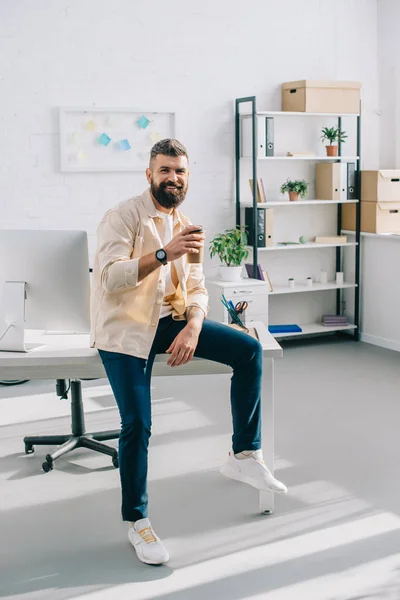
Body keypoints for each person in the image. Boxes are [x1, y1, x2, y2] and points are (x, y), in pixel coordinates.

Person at [90, 138, 287, 566]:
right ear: (149, 174)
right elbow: (109, 279)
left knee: (249, 351)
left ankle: (243, 455)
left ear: (187, 176)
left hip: (171, 323)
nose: (173, 178)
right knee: (138, 423)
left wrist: (194, 326)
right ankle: (137, 522)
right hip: (124, 331)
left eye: (180, 171)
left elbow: (196, 288)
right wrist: (164, 253)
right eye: (165, 170)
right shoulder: (122, 218)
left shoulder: (188, 223)